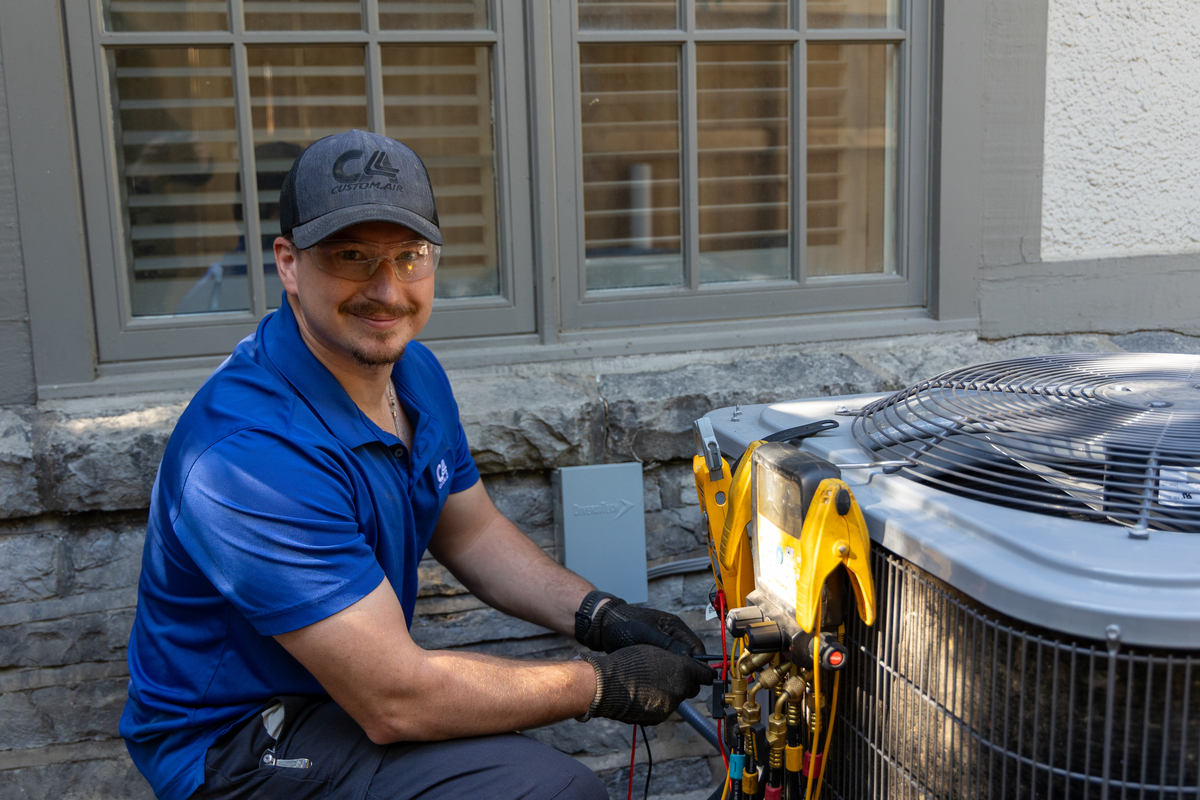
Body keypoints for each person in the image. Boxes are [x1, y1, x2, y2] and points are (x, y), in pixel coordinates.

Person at [120, 130, 715, 800]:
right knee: (545, 792)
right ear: (288, 263)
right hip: (239, 742)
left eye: (410, 257)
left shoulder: (412, 374)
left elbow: (471, 532)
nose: (387, 290)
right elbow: (396, 699)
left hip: (342, 695)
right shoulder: (248, 457)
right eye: (352, 257)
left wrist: (599, 614)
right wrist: (603, 684)